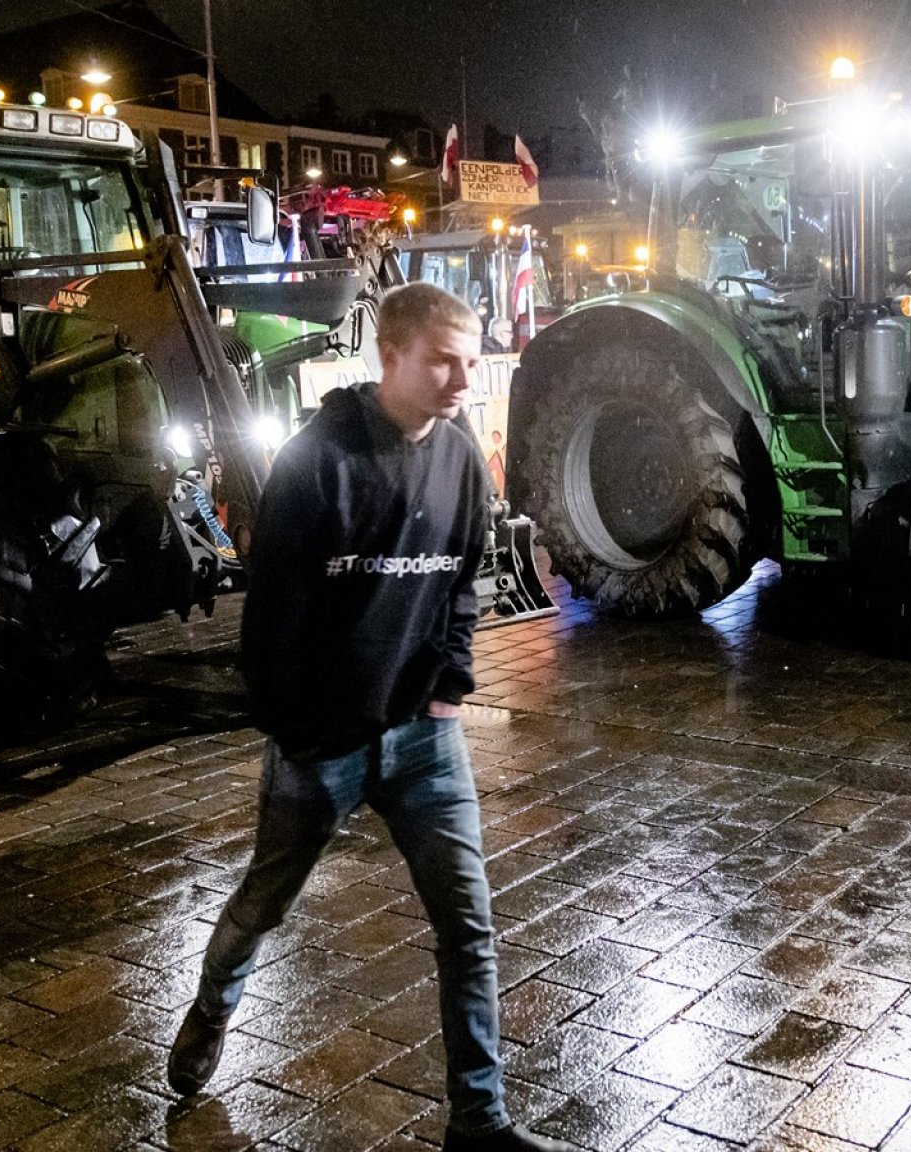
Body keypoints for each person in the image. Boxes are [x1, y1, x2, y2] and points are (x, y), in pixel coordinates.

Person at [168, 282, 574, 1152]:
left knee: (467, 926)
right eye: (442, 362)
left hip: (423, 739)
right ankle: (210, 1009)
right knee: (263, 904)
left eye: (471, 361)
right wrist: (297, 728)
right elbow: (270, 617)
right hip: (322, 748)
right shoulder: (318, 463)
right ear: (389, 357)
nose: (462, 380)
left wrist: (448, 683)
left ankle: (480, 1121)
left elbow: (465, 581)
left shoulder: (460, 457)